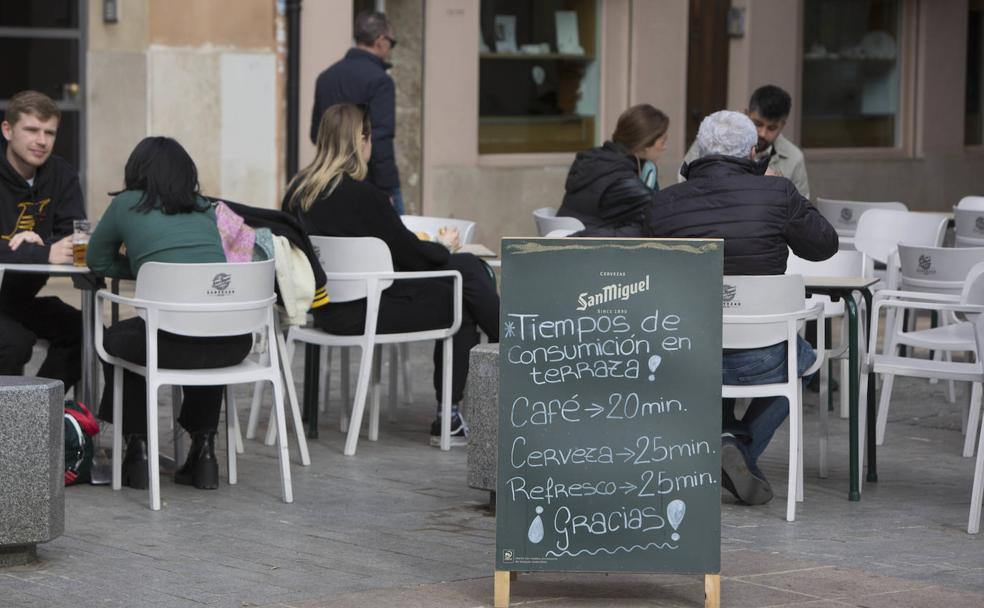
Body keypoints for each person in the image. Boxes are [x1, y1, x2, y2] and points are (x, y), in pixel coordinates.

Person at [585, 110, 837, 505]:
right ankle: (737, 447)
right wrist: (782, 192)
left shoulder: (666, 203)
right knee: (803, 359)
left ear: (700, 150)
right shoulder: (778, 193)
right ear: (753, 151)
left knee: (711, 339)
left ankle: (720, 446)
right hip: (762, 354)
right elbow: (824, 247)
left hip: (682, 354)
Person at [287, 103, 499, 447]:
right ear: (362, 140)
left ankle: (503, 360)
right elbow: (411, 257)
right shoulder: (366, 197)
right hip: (365, 312)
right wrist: (444, 247)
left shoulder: (298, 193)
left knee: (464, 279)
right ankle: (498, 373)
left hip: (324, 310)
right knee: (464, 288)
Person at [87, 137, 254, 490]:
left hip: (166, 343)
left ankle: (138, 449)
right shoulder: (207, 208)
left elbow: (97, 260)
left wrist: (149, 268)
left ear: (136, 170)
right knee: (208, 328)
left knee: (119, 340)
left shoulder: (126, 204)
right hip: (233, 344)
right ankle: (204, 448)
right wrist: (165, 272)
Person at [0, 90, 84, 390]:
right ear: (7, 130)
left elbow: (76, 239)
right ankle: (8, 429)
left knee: (84, 330)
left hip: (20, 299)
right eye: (32, 130)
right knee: (14, 344)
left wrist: (46, 244)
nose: (42, 141)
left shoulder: (62, 174)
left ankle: (38, 414)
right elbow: (49, 252)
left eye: (49, 132)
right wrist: (39, 252)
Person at [310, 10, 404, 213]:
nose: (390, 49)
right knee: (393, 243)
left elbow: (315, 134)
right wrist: (388, 189)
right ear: (380, 41)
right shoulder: (380, 81)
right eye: (392, 43)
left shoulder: (326, 77)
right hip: (368, 185)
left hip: (327, 184)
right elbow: (381, 138)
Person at [682, 84, 810, 199]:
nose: (762, 133)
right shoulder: (714, 136)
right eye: (758, 124)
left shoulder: (794, 157)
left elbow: (800, 206)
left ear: (782, 126)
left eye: (772, 128)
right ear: (747, 114)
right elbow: (683, 181)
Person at [557, 104, 669, 230]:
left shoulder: (595, 160)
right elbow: (663, 214)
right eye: (663, 141)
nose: (664, 147)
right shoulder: (620, 180)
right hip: (589, 244)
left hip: (569, 237)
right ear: (646, 143)